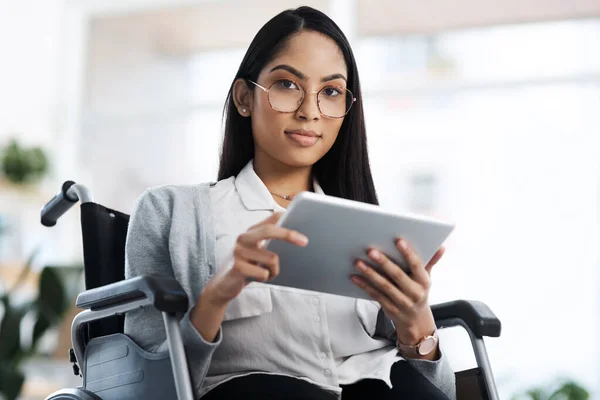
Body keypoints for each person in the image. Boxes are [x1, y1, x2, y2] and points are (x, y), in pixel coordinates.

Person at [124, 6, 455, 400]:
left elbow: (443, 393)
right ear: (245, 98)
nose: (309, 111)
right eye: (287, 85)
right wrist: (216, 297)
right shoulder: (172, 212)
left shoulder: (369, 229)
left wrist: (416, 322)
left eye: (330, 92)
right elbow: (141, 383)